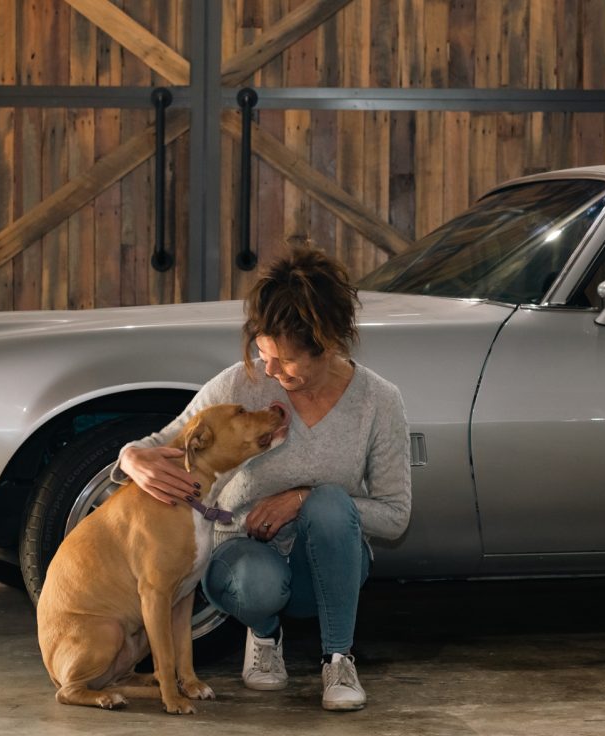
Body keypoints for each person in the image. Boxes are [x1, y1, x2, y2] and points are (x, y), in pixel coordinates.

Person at [114, 246, 412, 711]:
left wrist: (301, 497)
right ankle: (264, 636)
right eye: (263, 352)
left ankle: (338, 659)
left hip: (327, 567)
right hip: (244, 560)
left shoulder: (379, 401)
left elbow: (395, 517)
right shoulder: (240, 384)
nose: (269, 370)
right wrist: (130, 457)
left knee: (330, 503)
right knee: (258, 583)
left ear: (328, 344)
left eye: (286, 361)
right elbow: (166, 440)